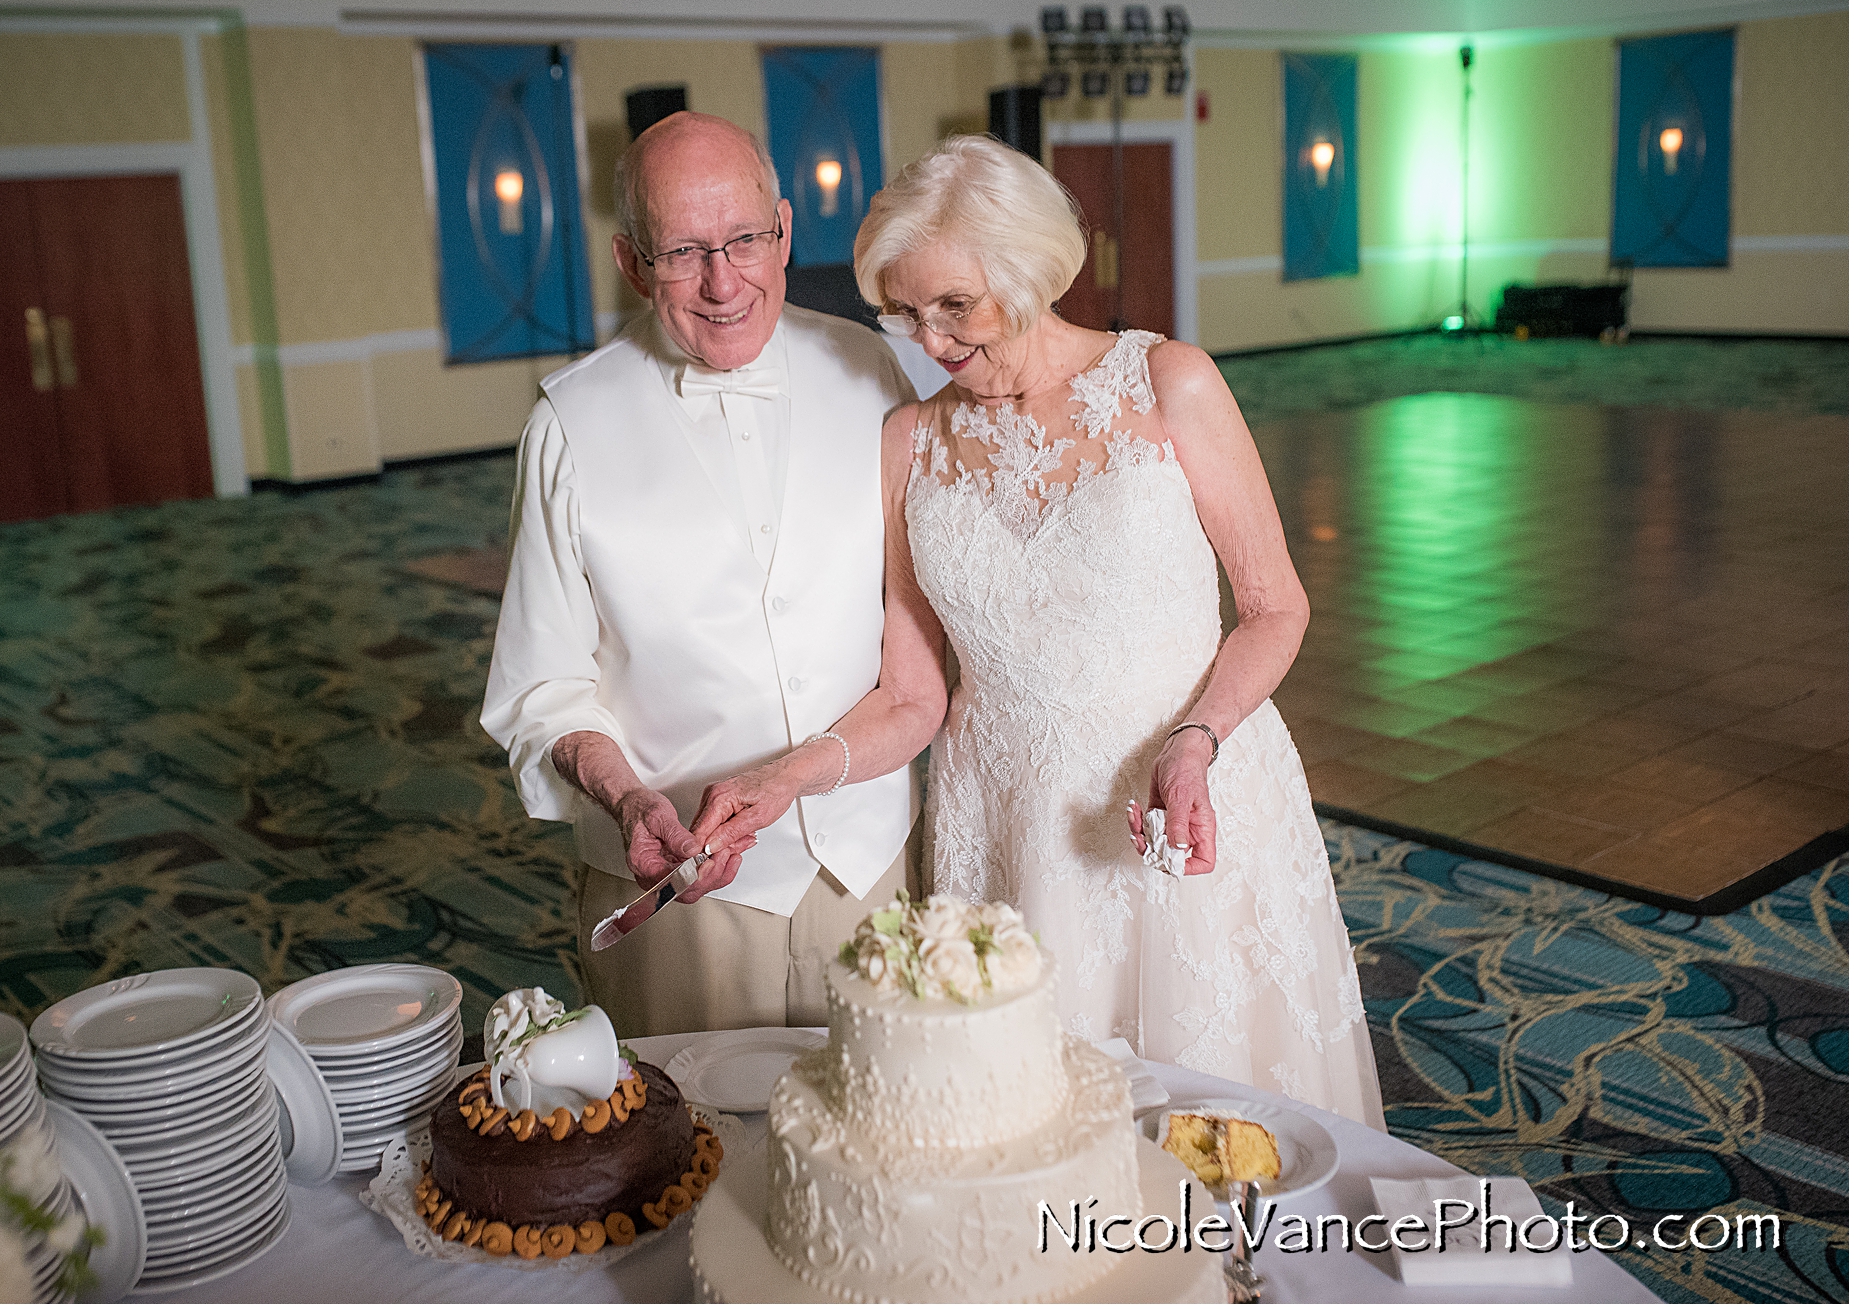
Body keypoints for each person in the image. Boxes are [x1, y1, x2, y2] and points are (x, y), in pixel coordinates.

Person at [691, 136, 1385, 1128]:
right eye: (906, 312)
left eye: (953, 307)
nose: (928, 340)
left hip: (1183, 798)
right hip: (1007, 832)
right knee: (1037, 1143)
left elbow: (1274, 606)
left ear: (1024, 272)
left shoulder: (1167, 384)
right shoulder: (907, 442)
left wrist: (1197, 740)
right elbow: (910, 693)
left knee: (1223, 1136)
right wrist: (782, 776)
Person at [479, 112, 921, 1040]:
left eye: (745, 241)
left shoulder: (873, 371)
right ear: (632, 263)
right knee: (692, 1171)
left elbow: (919, 634)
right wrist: (629, 798)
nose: (724, 282)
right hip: (683, 898)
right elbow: (540, 693)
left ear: (786, 231)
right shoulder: (568, 427)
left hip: (872, 862)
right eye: (684, 252)